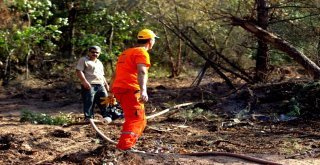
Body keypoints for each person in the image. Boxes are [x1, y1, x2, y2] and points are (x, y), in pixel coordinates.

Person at [109, 29, 159, 151]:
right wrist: (143, 91)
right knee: (136, 119)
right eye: (154, 40)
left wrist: (111, 91)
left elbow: (115, 74)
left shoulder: (126, 52)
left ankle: (125, 146)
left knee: (136, 118)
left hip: (119, 89)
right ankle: (124, 147)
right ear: (150, 41)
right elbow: (142, 71)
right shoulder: (142, 52)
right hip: (130, 89)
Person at [76, 46, 114, 123]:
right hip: (90, 84)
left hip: (100, 85)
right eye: (93, 52)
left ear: (99, 53)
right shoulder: (83, 60)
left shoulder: (99, 62)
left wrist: (106, 85)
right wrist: (84, 81)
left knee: (105, 101)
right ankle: (88, 118)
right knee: (89, 101)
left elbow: (102, 75)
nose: (95, 54)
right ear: (89, 52)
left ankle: (107, 117)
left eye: (97, 52)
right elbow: (79, 71)